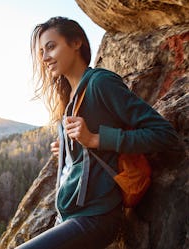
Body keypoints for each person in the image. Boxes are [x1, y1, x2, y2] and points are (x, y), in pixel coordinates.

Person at [16, 16, 179, 249]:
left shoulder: (100, 83)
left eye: (51, 47)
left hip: (96, 218)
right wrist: (68, 151)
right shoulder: (70, 97)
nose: (44, 57)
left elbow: (164, 134)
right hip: (70, 216)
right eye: (41, 51)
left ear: (76, 43)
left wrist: (96, 139)